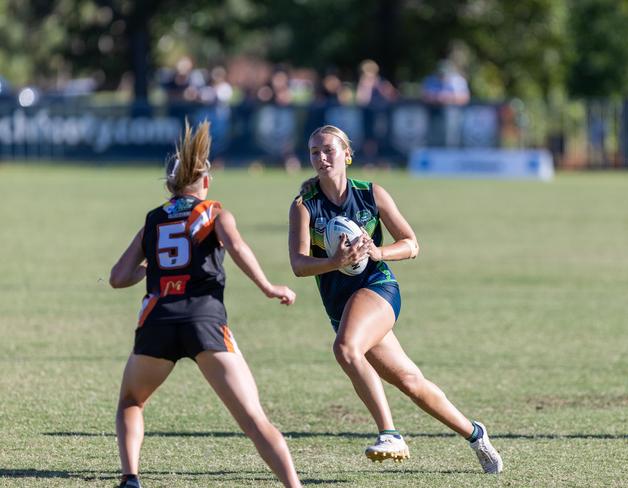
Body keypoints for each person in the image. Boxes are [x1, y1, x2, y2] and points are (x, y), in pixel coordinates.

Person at [288, 125, 503, 474]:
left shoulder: (371, 193)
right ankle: (475, 433)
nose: (321, 157)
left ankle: (390, 433)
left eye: (328, 150)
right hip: (341, 307)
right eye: (314, 152)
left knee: (345, 349)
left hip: (378, 288)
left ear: (347, 154)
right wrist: (334, 262)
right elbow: (298, 265)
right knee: (410, 382)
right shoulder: (304, 207)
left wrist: (378, 251)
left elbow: (411, 244)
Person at [110, 121, 302, 488]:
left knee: (132, 401)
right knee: (254, 420)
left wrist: (150, 268)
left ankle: (130, 478)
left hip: (158, 320)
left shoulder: (153, 219)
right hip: (204, 320)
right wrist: (267, 286)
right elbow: (237, 248)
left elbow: (119, 277)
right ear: (206, 182)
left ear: (169, 185)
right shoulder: (213, 212)